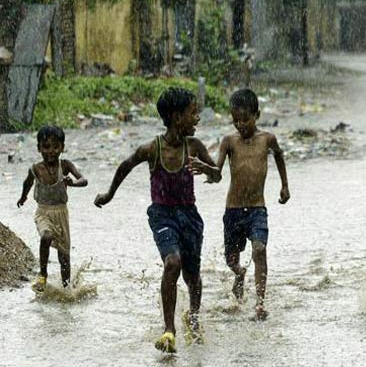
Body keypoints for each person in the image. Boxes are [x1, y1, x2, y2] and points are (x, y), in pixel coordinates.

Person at [94, 87, 221, 353]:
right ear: (176, 117)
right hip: (162, 214)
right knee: (172, 262)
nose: (197, 118)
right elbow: (126, 165)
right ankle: (169, 329)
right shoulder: (153, 148)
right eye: (192, 113)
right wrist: (109, 194)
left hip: (190, 217)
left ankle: (194, 319)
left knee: (192, 275)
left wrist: (209, 169)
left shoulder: (194, 147)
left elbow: (217, 175)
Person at [194, 88, 289, 320]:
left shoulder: (267, 139)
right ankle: (240, 274)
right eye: (236, 120)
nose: (240, 125)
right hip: (233, 209)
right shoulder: (229, 141)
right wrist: (207, 170)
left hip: (257, 208)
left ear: (257, 115)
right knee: (231, 259)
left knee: (259, 249)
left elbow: (279, 155)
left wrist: (285, 185)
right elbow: (217, 173)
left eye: (245, 119)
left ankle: (259, 302)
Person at [17, 125, 88, 290]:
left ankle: (66, 289)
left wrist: (73, 183)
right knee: (46, 236)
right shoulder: (36, 169)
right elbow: (27, 182)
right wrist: (23, 196)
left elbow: (84, 180)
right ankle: (43, 274)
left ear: (62, 147)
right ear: (39, 148)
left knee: (64, 258)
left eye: (56, 147)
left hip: (61, 214)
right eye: (46, 147)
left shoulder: (66, 166)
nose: (51, 151)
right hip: (43, 212)